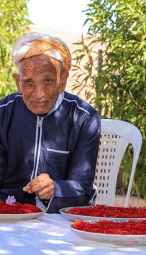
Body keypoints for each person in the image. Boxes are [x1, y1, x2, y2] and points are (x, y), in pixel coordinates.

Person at [0, 32, 101, 213]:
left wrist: (57, 188)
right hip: (7, 215)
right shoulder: (3, 112)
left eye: (48, 81)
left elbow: (83, 188)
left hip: (60, 217)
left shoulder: (84, 117)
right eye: (29, 82)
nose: (39, 94)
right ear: (18, 83)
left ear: (62, 81)